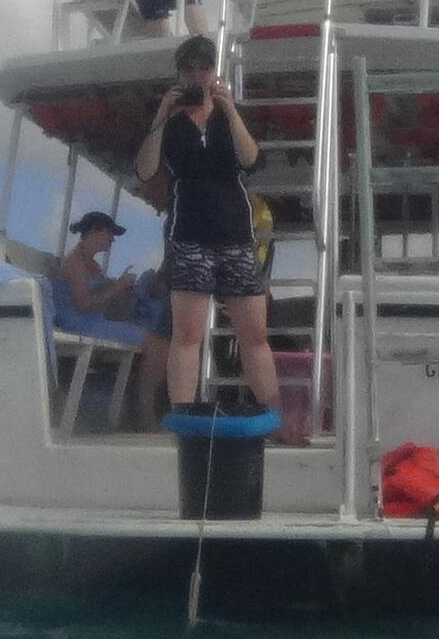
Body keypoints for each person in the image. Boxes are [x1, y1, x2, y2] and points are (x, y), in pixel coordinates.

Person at [133, 34, 279, 417]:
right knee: (187, 336)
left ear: (214, 72)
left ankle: (273, 417)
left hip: (235, 237)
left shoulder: (229, 113)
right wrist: (161, 117)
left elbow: (251, 161)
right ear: (180, 75)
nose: (198, 76)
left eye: (204, 68)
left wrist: (230, 111)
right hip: (190, 238)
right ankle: (183, 418)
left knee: (255, 335)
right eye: (190, 70)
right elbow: (145, 170)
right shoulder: (171, 121)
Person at [52, 211, 149, 342]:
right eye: (110, 234)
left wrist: (123, 289)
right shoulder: (75, 261)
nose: (113, 239)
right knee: (150, 340)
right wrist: (118, 286)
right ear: (94, 231)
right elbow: (83, 305)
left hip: (94, 323)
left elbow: (103, 298)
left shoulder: (93, 265)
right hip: (79, 326)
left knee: (150, 335)